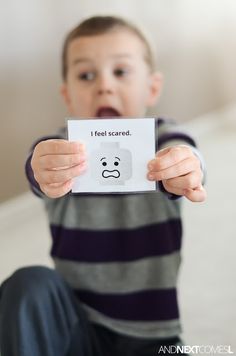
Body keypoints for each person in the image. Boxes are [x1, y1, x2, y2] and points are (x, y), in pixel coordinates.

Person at [0, 15, 206, 356]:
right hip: (76, 327)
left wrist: (187, 168)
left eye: (121, 72)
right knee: (28, 284)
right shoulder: (59, 150)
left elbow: (189, 156)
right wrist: (41, 170)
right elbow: (37, 169)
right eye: (86, 75)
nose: (104, 86)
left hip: (152, 336)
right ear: (67, 95)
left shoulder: (165, 141)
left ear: (152, 88)